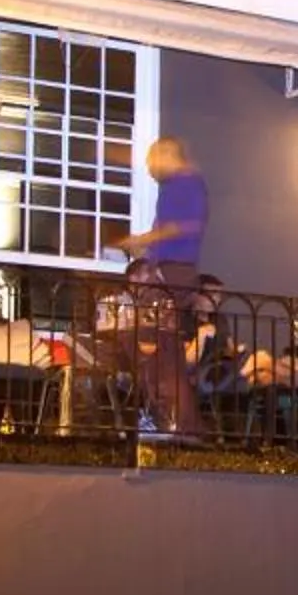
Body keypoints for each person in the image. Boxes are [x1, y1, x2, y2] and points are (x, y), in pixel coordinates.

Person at [111, 136, 208, 435]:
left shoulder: (186, 183)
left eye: (151, 160)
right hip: (169, 273)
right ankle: (172, 421)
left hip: (172, 276)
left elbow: (182, 227)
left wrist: (142, 241)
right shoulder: (178, 186)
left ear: (167, 153)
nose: (149, 168)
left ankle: (179, 425)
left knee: (159, 348)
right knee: (159, 349)